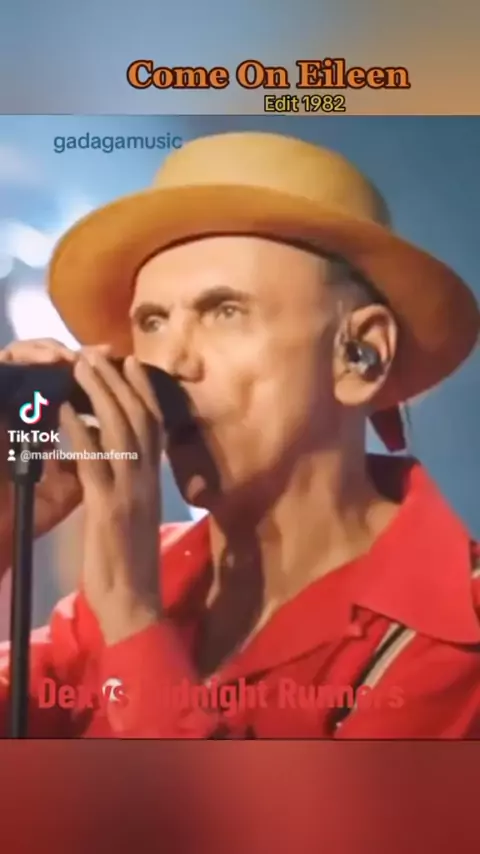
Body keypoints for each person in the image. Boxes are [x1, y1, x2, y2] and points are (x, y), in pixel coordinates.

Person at [0, 130, 479, 738]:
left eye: (225, 312)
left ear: (362, 355)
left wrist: (133, 619)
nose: (171, 362)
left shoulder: (455, 632)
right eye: (152, 321)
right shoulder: (158, 571)